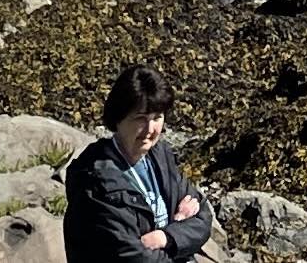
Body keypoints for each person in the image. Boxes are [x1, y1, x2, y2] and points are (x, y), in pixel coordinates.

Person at [65, 65, 210, 261]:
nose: (150, 129)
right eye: (141, 118)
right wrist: (179, 226)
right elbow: (130, 255)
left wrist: (166, 237)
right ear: (118, 119)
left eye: (157, 118)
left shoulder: (161, 157)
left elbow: (201, 215)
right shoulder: (95, 180)